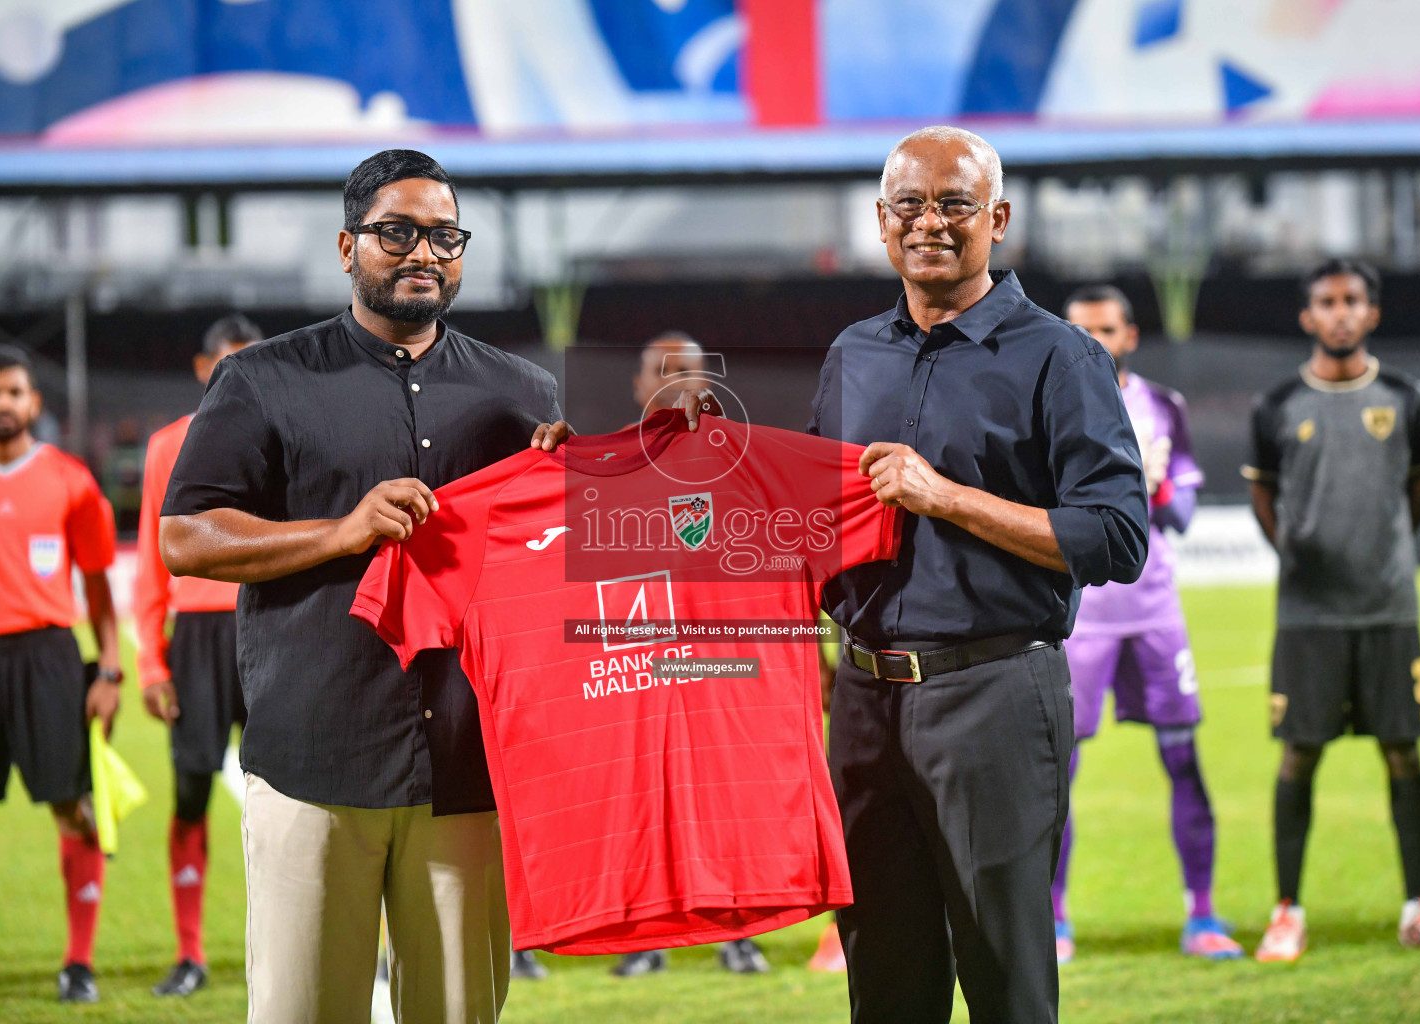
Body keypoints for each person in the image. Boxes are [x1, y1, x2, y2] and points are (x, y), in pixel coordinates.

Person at [158, 149, 571, 1023]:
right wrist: (341, 532)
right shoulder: (263, 376)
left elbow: (555, 563)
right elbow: (184, 537)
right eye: (398, 232)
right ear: (348, 246)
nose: (424, 251)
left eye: (444, 236)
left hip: (466, 766)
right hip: (315, 758)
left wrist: (633, 466)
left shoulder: (521, 393)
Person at [808, 126, 1148, 1024]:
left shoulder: (1061, 356)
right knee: (882, 979)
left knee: (1006, 981)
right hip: (866, 703)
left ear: (996, 219)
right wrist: (681, 447)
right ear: (882, 225)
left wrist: (947, 498)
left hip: (994, 691)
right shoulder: (853, 353)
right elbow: (807, 522)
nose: (932, 223)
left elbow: (1115, 536)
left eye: (955, 203)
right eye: (910, 206)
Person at [1245, 258, 1420, 962]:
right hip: (1307, 616)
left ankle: (1418, 907)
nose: (1339, 312)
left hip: (1387, 607)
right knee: (1298, 757)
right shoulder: (1277, 404)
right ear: (1308, 316)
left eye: (1352, 301)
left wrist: (1381, 552)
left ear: (1372, 313)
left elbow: (1419, 497)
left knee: (1403, 752)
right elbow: (1265, 498)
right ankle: (1288, 911)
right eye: (1326, 302)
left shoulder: (1408, 396)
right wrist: (1300, 556)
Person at [1053, 285, 1242, 963]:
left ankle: (1202, 914)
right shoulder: (1047, 405)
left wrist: (1156, 489)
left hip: (1155, 608)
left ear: (1130, 334)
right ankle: (1055, 921)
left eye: (1106, 329)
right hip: (1081, 616)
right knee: (1058, 772)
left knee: (1182, 756)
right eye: (1081, 330)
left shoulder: (1163, 406)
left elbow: (1183, 515)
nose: (1094, 342)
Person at [0, 345, 121, 1006]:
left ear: (33, 402)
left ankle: (78, 963)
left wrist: (112, 671)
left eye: (14, 392)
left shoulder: (71, 480)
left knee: (72, 811)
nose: (3, 404)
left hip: (51, 660)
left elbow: (99, 589)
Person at [599, 331, 771, 980]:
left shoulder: (745, 463)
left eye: (688, 372)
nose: (674, 383)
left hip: (723, 665)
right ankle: (646, 936)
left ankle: (739, 933)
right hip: (640, 663)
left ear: (708, 383)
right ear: (639, 385)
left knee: (732, 799)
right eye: (659, 372)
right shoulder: (605, 462)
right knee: (643, 804)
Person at [133, 313, 263, 997]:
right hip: (198, 641)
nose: (236, 375)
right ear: (201, 367)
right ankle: (190, 953)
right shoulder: (166, 447)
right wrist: (152, 663)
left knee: (300, 797)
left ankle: (290, 943)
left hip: (269, 626)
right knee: (189, 794)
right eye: (226, 363)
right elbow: (153, 567)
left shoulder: (281, 433)